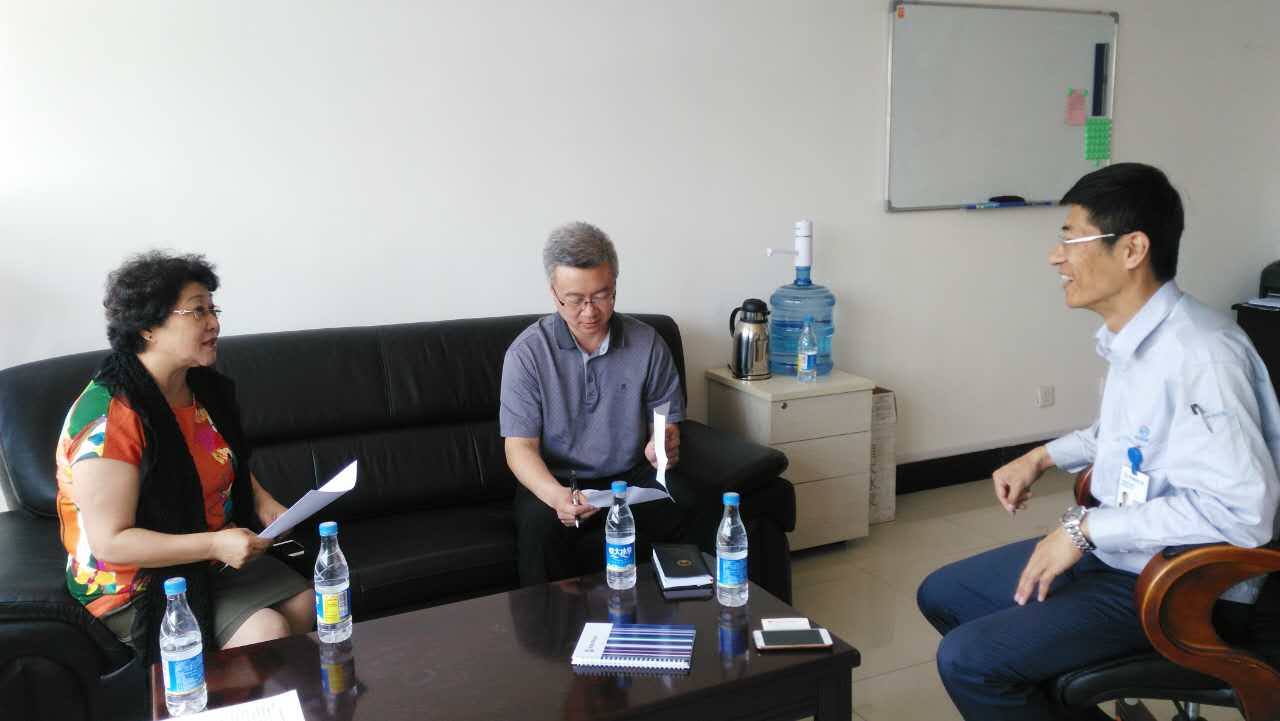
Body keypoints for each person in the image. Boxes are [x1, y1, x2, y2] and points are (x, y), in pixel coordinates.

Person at [916, 163, 1280, 720]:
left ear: (1132, 249)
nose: (1055, 257)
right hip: (1123, 551)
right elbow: (1127, 436)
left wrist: (1083, 530)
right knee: (944, 594)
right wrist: (1041, 457)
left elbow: (1242, 513)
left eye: (1071, 239)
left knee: (970, 661)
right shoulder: (1137, 338)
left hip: (1182, 583)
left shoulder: (1201, 355)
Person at [54, 252, 313, 661]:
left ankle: (264, 691)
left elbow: (222, 458)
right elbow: (111, 543)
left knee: (306, 601)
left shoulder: (202, 389)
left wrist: (262, 501)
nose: (214, 323)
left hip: (208, 556)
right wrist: (214, 544)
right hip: (133, 582)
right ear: (147, 327)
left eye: (213, 309)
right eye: (197, 311)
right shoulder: (109, 418)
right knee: (266, 630)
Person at [500, 221, 712, 585]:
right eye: (574, 300)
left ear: (614, 284)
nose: (589, 312)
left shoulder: (647, 343)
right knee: (539, 531)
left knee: (691, 503)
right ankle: (549, 624)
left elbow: (665, 423)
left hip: (630, 478)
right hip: (559, 480)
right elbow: (519, 447)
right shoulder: (528, 354)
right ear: (554, 294)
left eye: (601, 296)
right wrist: (556, 496)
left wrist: (662, 445)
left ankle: (691, 609)